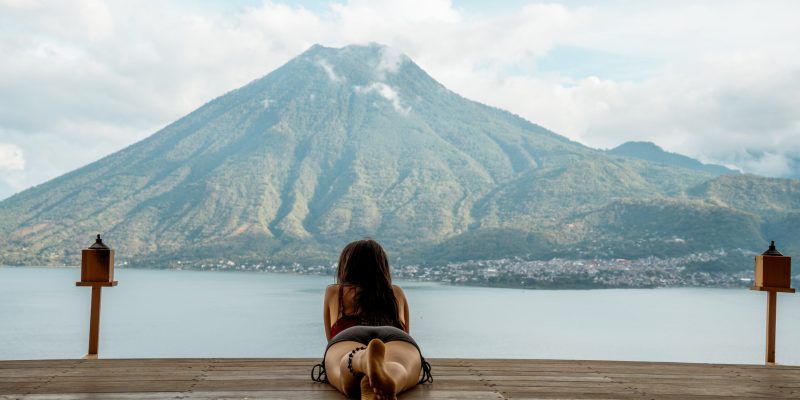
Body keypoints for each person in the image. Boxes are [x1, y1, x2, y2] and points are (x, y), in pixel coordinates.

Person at [311, 239, 432, 399]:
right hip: (394, 335)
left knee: (343, 371)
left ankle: (362, 360)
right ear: (382, 266)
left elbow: (331, 339)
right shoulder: (396, 292)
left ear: (346, 266)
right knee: (401, 367)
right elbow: (406, 331)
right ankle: (388, 380)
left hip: (349, 336)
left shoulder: (334, 292)